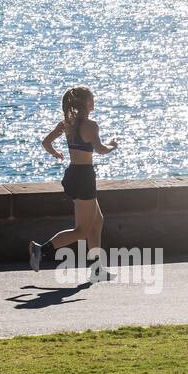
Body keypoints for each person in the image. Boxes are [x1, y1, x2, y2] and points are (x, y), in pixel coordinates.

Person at [31, 86, 119, 278]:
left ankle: (97, 269)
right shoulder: (91, 125)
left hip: (72, 174)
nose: (94, 101)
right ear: (86, 103)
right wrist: (113, 145)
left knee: (97, 221)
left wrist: (56, 154)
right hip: (85, 177)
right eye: (92, 98)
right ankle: (41, 249)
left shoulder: (66, 124)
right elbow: (101, 149)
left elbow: (46, 143)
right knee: (82, 230)